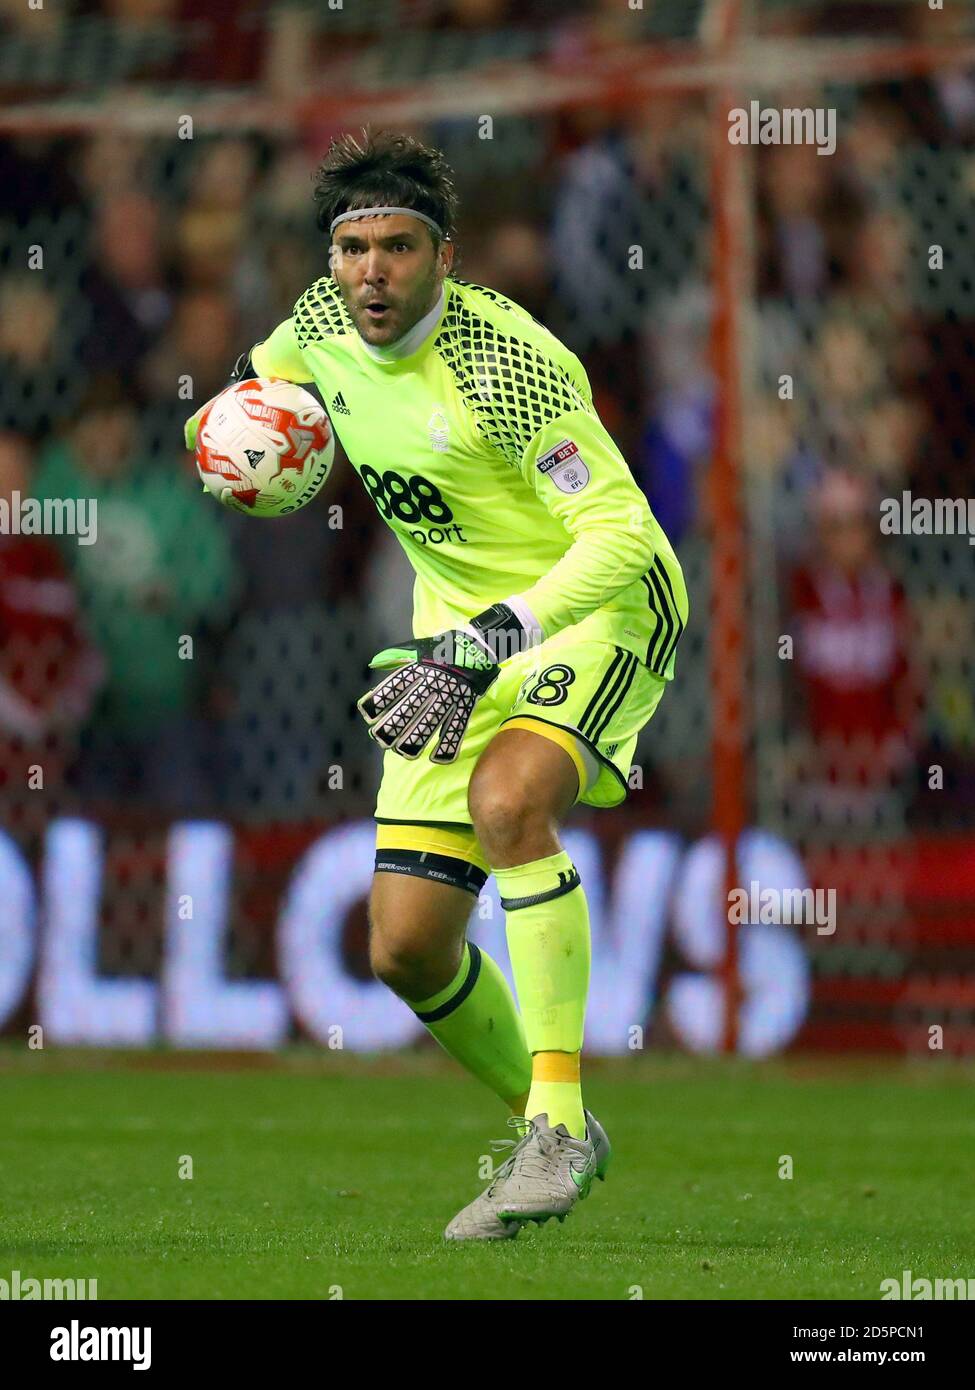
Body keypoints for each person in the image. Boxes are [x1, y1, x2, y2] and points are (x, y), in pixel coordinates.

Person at [185, 129, 688, 1241]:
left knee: (510, 802)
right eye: (353, 248)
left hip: (590, 609)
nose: (372, 271)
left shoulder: (509, 365)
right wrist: (220, 430)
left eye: (398, 248)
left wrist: (499, 634)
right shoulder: (322, 322)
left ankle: (551, 1132)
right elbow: (263, 379)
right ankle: (562, 1124)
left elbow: (621, 530)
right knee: (405, 946)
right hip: (455, 642)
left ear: (444, 257)